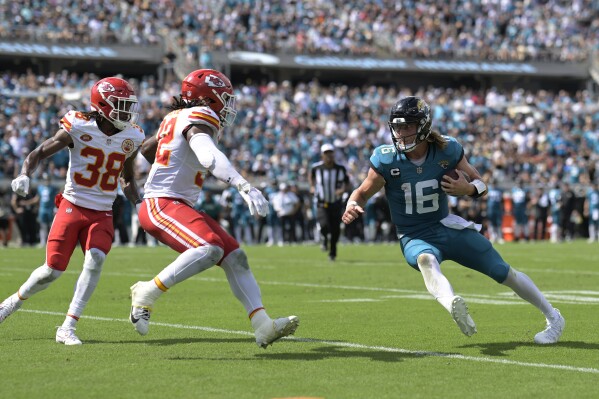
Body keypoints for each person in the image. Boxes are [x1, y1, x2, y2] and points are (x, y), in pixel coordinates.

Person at [342, 96, 565, 344]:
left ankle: (554, 318)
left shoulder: (446, 150)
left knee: (503, 272)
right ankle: (452, 304)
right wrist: (352, 205)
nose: (401, 133)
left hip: (447, 226)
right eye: (397, 127)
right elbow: (361, 193)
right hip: (414, 234)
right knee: (426, 259)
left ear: (423, 126)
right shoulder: (386, 158)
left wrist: (466, 190)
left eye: (407, 126)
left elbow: (481, 185)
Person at [130, 69, 299, 348]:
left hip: (176, 204)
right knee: (210, 248)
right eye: (223, 98)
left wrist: (169, 161)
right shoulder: (199, 116)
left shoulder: (175, 118)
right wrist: (244, 186)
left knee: (236, 257)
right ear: (206, 98)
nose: (228, 105)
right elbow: (208, 156)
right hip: (162, 203)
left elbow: (149, 149)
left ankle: (262, 325)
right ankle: (148, 291)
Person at [0, 77, 144, 345]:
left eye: (128, 106)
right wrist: (24, 174)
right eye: (121, 105)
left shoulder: (132, 136)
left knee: (96, 259)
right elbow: (40, 152)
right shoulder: (78, 126)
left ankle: (67, 326)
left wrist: (140, 204)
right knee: (52, 271)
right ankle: (10, 303)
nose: (127, 112)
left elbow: (126, 178)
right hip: (73, 205)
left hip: (102, 210)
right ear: (103, 106)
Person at [309, 143, 350, 261]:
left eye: (330, 153)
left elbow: (347, 183)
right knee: (324, 225)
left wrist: (342, 190)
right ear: (322, 155)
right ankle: (324, 238)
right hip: (322, 202)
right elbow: (311, 177)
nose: (329, 156)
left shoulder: (340, 169)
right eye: (326, 153)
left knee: (335, 229)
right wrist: (312, 187)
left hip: (336, 202)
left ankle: (333, 253)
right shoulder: (316, 168)